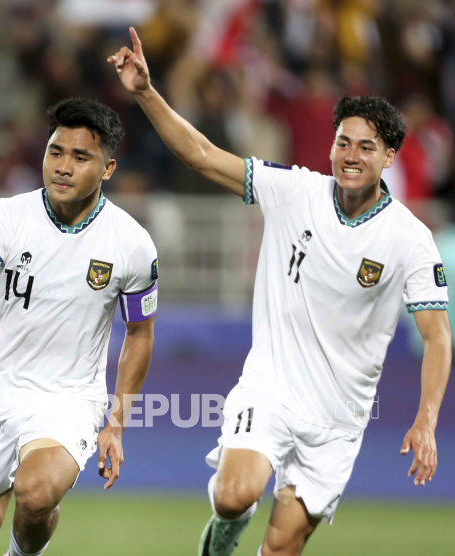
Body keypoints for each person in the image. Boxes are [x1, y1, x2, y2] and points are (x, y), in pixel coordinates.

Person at [109, 28, 451, 556]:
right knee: (232, 495)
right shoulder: (294, 191)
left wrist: (426, 420)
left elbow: (437, 337)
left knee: (281, 548)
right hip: (271, 388)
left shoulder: (410, 239)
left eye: (366, 146)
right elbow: (202, 155)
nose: (350, 155)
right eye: (342, 142)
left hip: (339, 416)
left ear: (389, 158)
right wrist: (146, 92)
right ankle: (221, 537)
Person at [0, 97, 159, 556]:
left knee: (37, 493)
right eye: (55, 152)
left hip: (67, 399)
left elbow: (140, 333)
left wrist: (116, 423)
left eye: (80, 157)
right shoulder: (8, 217)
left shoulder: (132, 244)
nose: (63, 167)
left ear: (107, 169)